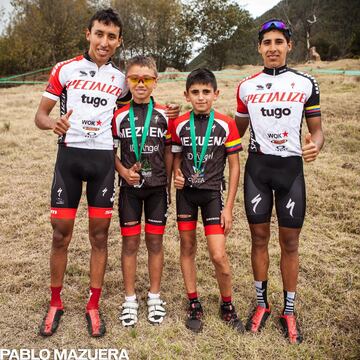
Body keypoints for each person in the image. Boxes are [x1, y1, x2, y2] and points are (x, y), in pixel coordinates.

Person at [34, 8, 178, 337]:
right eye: (99, 33)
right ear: (88, 34)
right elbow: (40, 116)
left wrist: (169, 110)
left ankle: (93, 304)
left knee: (99, 236)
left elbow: (144, 96)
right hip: (69, 159)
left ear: (119, 41)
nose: (104, 41)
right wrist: (52, 123)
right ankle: (55, 302)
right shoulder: (65, 70)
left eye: (111, 36)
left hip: (102, 163)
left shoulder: (120, 80)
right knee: (61, 234)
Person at [235, 19, 324, 344]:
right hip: (258, 171)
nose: (273, 48)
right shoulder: (246, 86)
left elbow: (316, 130)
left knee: (290, 243)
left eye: (278, 42)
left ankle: (289, 309)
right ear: (259, 48)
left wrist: (316, 144)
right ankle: (262, 305)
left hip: (291, 173)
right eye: (267, 42)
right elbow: (237, 132)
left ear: (289, 46)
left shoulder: (306, 83)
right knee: (258, 240)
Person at [171, 68, 244, 333]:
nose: (201, 97)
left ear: (215, 94)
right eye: (195, 92)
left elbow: (235, 167)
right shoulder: (179, 124)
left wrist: (229, 208)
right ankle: (194, 302)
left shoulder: (226, 123)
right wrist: (176, 176)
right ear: (187, 95)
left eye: (206, 92)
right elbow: (176, 159)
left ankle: (227, 304)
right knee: (187, 248)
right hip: (186, 197)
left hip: (213, 196)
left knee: (218, 254)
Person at [112, 56, 172, 327]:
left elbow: (171, 151)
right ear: (127, 81)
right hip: (129, 190)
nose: (140, 83)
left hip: (157, 188)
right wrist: (123, 172)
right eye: (135, 78)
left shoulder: (165, 115)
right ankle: (129, 300)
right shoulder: (119, 116)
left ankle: (154, 296)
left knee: (155, 243)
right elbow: (109, 151)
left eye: (146, 78)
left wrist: (168, 181)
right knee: (130, 244)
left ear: (155, 82)